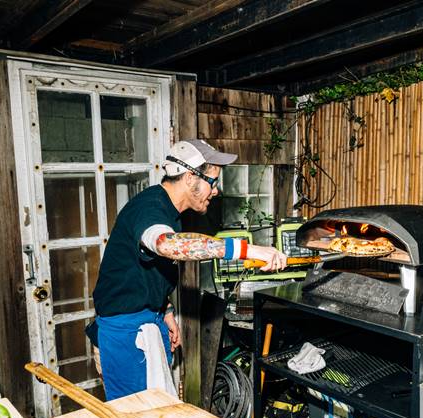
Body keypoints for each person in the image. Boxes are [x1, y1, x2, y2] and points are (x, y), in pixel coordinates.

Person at [91, 139, 287, 400]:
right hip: (125, 334)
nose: (215, 191)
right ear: (188, 177)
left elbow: (144, 270)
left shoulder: (171, 212)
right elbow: (166, 245)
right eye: (213, 182)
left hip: (149, 317)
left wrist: (166, 310)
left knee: (162, 413)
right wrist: (250, 250)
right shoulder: (149, 208)